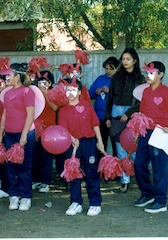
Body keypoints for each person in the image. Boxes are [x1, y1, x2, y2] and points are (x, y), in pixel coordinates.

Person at [133, 61, 168, 213]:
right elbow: (142, 115)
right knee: (139, 165)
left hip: (160, 133)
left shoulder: (167, 92)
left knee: (159, 168)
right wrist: (137, 132)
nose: (149, 75)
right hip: (145, 133)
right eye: (148, 72)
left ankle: (161, 201)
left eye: (152, 73)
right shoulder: (146, 92)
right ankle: (147, 194)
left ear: (161, 75)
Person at [58, 76, 104, 216]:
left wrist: (100, 141)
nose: (70, 93)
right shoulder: (63, 110)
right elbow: (63, 129)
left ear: (79, 92)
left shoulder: (87, 106)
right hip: (72, 145)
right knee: (73, 173)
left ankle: (95, 203)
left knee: (91, 172)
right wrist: (72, 139)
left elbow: (95, 124)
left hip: (88, 142)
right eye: (68, 90)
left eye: (73, 90)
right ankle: (76, 202)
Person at [105, 48, 145, 193]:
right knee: (120, 149)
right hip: (116, 111)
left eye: (128, 59)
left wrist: (129, 113)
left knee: (134, 148)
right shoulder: (116, 77)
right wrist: (108, 116)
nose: (125, 61)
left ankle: (139, 179)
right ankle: (125, 182)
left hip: (133, 114)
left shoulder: (140, 78)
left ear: (134, 60)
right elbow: (110, 98)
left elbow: (142, 101)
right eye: (123, 59)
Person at [0, 63, 36, 211]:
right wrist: (1, 131)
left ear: (17, 76)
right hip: (10, 134)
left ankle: (26, 197)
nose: (6, 78)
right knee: (11, 166)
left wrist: (24, 135)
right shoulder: (7, 93)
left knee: (24, 166)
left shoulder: (27, 92)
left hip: (25, 133)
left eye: (9, 75)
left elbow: (30, 114)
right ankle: (13, 196)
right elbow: (5, 113)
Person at [32, 70, 58, 193]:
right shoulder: (33, 93)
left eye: (44, 81)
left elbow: (55, 107)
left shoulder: (53, 93)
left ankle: (46, 181)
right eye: (39, 81)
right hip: (35, 127)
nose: (41, 84)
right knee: (35, 155)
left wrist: (45, 93)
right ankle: (36, 179)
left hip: (48, 129)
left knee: (46, 156)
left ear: (50, 83)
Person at [89, 57, 119, 158]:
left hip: (114, 117)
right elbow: (90, 94)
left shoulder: (119, 80)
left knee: (116, 145)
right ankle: (101, 169)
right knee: (101, 144)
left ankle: (116, 170)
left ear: (117, 68)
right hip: (99, 116)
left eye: (111, 69)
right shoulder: (100, 79)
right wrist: (96, 91)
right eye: (106, 68)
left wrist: (110, 91)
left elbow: (123, 97)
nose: (108, 71)